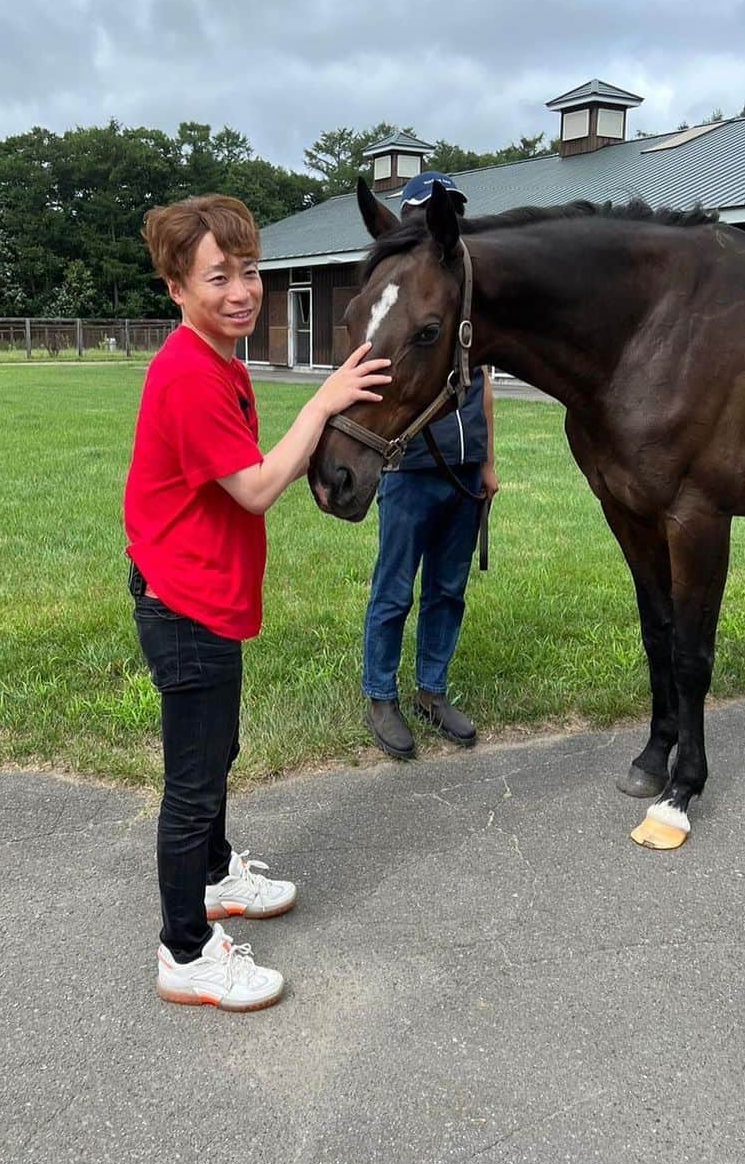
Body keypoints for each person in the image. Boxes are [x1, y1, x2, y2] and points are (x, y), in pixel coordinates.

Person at [125, 194, 390, 1012]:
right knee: (193, 785)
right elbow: (256, 488)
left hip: (202, 595)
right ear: (175, 286)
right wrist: (323, 400)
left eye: (250, 272)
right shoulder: (188, 373)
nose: (242, 290)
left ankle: (213, 877)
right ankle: (186, 951)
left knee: (218, 754)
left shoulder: (222, 360)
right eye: (218, 277)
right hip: (184, 604)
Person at [363, 170, 500, 759]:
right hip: (411, 469)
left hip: (463, 470)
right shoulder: (406, 298)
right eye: (425, 213)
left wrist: (488, 462)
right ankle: (381, 695)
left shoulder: (463, 297)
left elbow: (484, 385)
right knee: (394, 589)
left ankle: (432, 690)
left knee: (449, 587)